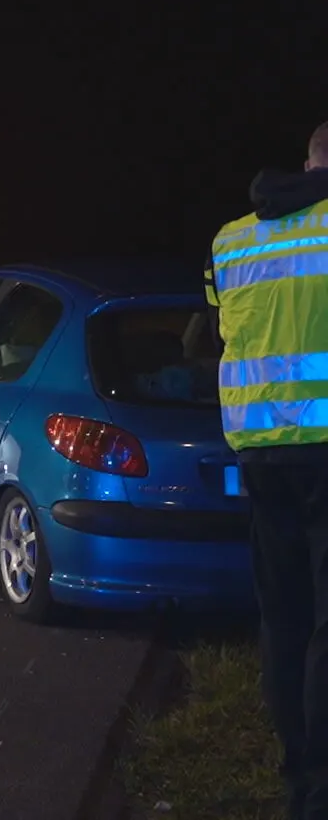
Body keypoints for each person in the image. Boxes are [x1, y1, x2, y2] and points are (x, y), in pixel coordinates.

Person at [208, 118, 328, 820]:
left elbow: (224, 325)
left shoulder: (232, 239)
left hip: (262, 453)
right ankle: (319, 792)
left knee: (284, 619)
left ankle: (295, 776)